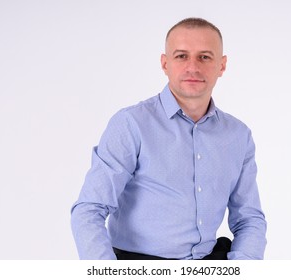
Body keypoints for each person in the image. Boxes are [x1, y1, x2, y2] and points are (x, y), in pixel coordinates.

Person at [71, 17, 267, 260]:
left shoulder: (238, 135)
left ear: (222, 65)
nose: (193, 67)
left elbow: (249, 219)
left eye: (204, 56)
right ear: (165, 63)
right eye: (181, 56)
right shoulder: (131, 124)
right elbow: (89, 210)